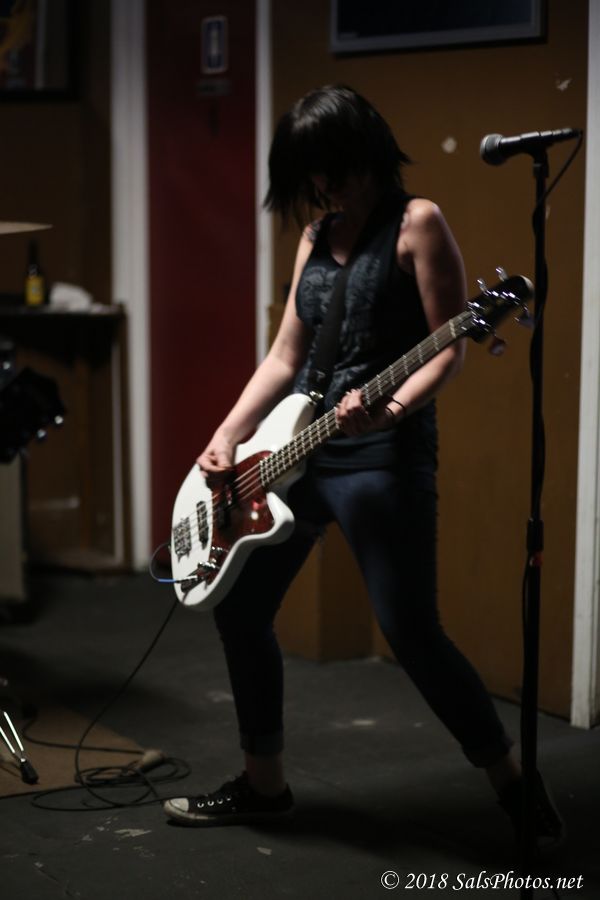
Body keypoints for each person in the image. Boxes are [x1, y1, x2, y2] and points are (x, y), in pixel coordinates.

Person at [163, 85, 563, 848]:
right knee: (240, 610)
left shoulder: (418, 224)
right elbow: (285, 356)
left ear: (365, 153)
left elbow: (448, 348)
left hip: (382, 452)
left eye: (332, 168)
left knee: (411, 631)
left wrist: (391, 407)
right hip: (299, 449)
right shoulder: (316, 234)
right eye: (311, 174)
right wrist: (227, 436)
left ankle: (514, 782)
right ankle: (264, 785)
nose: (323, 186)